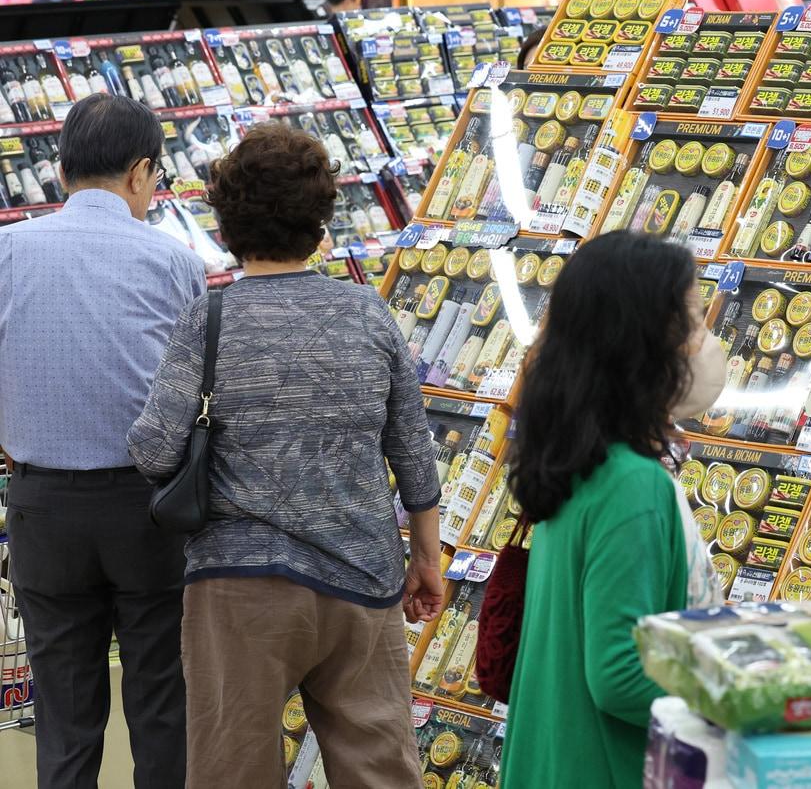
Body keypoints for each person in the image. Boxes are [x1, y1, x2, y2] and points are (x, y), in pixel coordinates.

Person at [126, 123, 445, 788]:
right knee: (381, 770)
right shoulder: (367, 312)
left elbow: (156, 451)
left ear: (226, 220)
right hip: (362, 576)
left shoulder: (207, 320)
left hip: (237, 586)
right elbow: (414, 451)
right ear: (321, 217)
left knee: (232, 772)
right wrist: (426, 559)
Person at [0, 93, 203, 788]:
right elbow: (194, 392)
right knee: (161, 703)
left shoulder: (6, 251)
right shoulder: (174, 262)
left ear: (61, 173)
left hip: (41, 504)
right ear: (142, 173)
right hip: (149, 507)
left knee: (63, 709)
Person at [499, 231, 726, 788]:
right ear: (645, 342)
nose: (703, 341)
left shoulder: (572, 458)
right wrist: (746, 697)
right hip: (611, 767)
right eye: (692, 320)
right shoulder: (632, 484)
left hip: (554, 758)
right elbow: (621, 676)